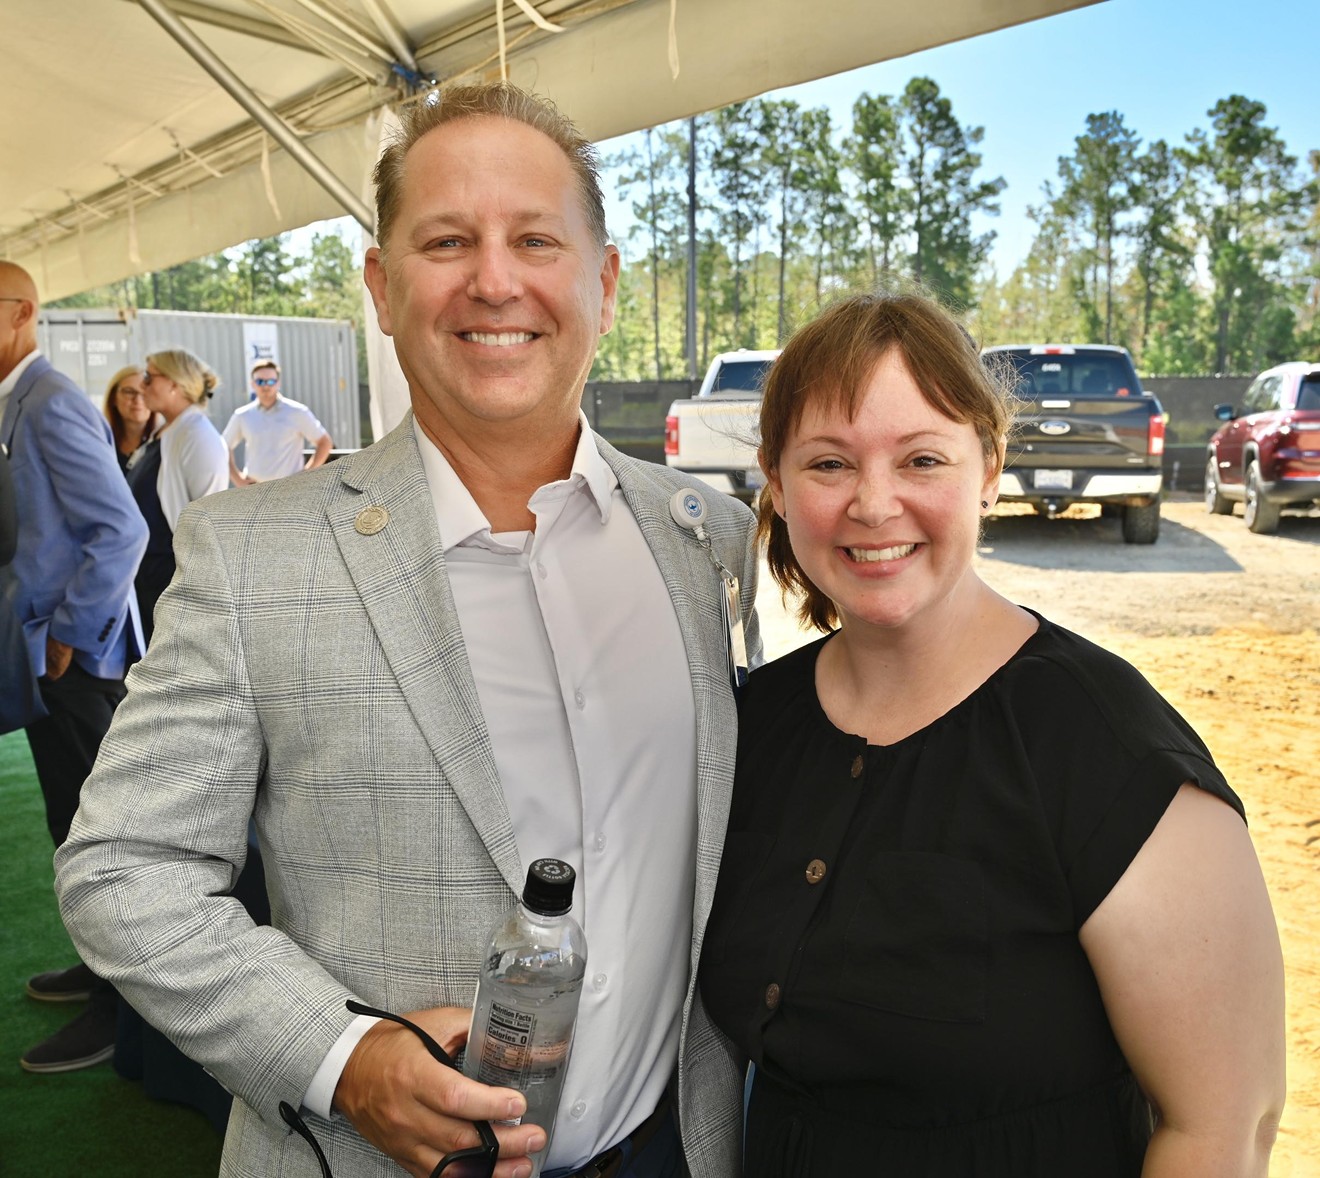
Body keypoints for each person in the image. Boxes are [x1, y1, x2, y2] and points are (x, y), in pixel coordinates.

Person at [55, 81, 759, 1178]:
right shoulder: (254, 555)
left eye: (535, 237)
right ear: (382, 288)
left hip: (673, 1148)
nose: (493, 278)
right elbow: (122, 867)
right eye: (446, 240)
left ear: (606, 283)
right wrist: (344, 1054)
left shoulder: (702, 537)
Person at [699, 291, 1285, 1177]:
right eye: (828, 464)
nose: (873, 502)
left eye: (922, 458)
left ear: (988, 471)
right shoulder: (752, 724)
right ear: (775, 484)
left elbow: (1223, 1128)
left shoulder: (1102, 744)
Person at [0, 260, 149, 1073]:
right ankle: (99, 969)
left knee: (98, 833)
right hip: (46, 655)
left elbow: (119, 532)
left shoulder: (49, 402)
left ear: (22, 313)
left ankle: (121, 1009)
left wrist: (67, 631)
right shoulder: (19, 400)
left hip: (74, 660)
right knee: (68, 821)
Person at [126, 347, 227, 642]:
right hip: (150, 576)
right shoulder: (165, 432)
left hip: (173, 578)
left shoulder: (197, 435)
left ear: (174, 383)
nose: (142, 386)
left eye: (148, 377)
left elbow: (210, 515)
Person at [223, 359, 333, 486]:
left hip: (289, 490)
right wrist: (237, 479)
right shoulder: (242, 415)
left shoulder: (297, 412)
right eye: (260, 381)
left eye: (270, 381)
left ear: (278, 383)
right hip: (253, 492)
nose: (265, 386)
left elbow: (325, 442)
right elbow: (224, 447)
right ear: (252, 384)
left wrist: (307, 475)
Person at [102, 365, 159, 473]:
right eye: (129, 392)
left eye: (144, 393)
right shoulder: (101, 442)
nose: (138, 400)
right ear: (113, 397)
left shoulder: (163, 443)